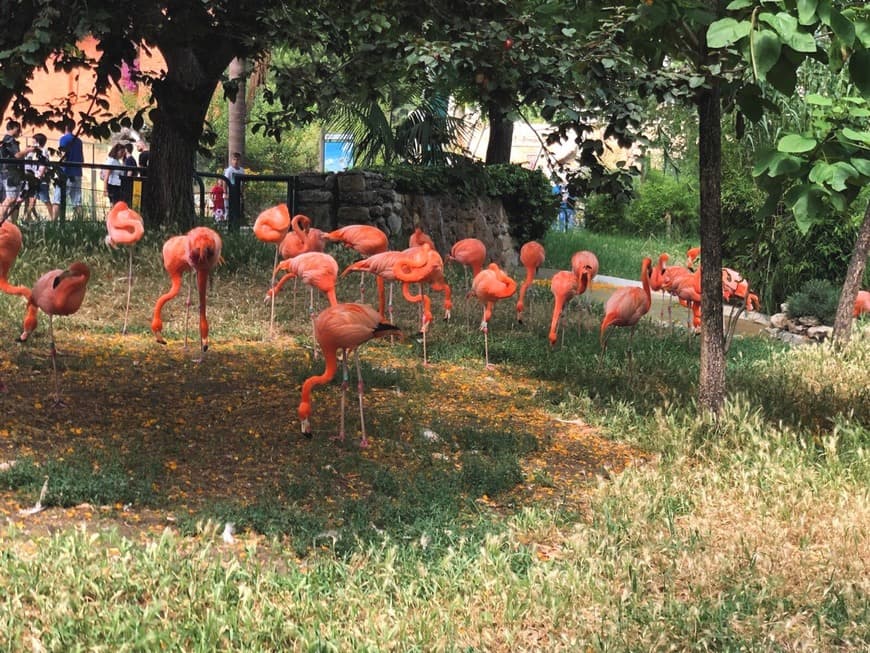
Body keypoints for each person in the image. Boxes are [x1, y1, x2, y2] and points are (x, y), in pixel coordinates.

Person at [0, 120, 39, 225]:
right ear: (15, 128)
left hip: (5, 173)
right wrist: (28, 150)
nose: (20, 131)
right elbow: (17, 155)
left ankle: (11, 224)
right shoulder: (10, 141)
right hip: (11, 174)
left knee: (9, 200)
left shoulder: (4, 141)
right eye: (19, 129)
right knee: (11, 199)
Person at [52, 118, 84, 220]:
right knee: (77, 201)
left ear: (65, 127)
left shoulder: (64, 139)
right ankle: (80, 224)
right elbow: (81, 159)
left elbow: (63, 155)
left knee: (57, 200)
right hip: (77, 173)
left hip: (66, 172)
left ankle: (53, 224)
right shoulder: (79, 141)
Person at [23, 133, 53, 221]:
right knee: (31, 200)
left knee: (45, 200)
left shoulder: (43, 152)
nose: (32, 142)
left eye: (34, 140)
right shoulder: (30, 151)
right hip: (30, 178)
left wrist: (39, 177)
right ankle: (29, 218)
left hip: (40, 179)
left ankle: (53, 220)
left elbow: (43, 165)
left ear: (38, 141)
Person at [223, 151, 244, 223]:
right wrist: (225, 193)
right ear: (232, 160)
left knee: (237, 209)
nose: (236, 161)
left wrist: (242, 192)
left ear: (239, 160)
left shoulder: (242, 170)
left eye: (237, 159)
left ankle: (236, 224)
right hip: (230, 192)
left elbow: (243, 183)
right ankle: (227, 223)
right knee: (228, 209)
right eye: (234, 159)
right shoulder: (229, 170)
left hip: (238, 192)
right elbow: (225, 181)